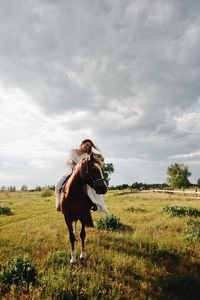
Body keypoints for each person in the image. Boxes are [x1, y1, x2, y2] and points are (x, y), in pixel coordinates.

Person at [55, 139, 109, 214]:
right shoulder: (73, 151)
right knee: (58, 185)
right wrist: (70, 162)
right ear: (82, 144)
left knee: (91, 188)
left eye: (89, 147)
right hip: (71, 171)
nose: (87, 147)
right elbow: (68, 161)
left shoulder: (87, 156)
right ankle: (59, 204)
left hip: (82, 174)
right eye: (86, 145)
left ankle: (94, 204)